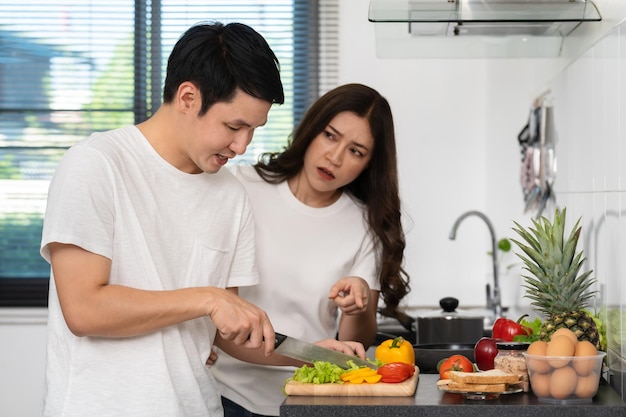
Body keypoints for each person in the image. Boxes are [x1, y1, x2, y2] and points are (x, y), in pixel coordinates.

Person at [40, 21, 361, 417]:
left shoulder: (231, 196)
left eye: (253, 130)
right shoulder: (95, 165)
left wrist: (309, 354)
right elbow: (84, 310)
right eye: (233, 126)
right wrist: (208, 299)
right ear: (189, 97)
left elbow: (229, 333)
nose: (242, 146)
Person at [211, 83, 411, 416]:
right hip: (228, 395)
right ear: (311, 130)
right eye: (330, 136)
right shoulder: (241, 186)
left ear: (368, 164)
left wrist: (357, 304)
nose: (335, 157)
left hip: (310, 394)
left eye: (356, 151)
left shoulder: (365, 224)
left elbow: (357, 339)